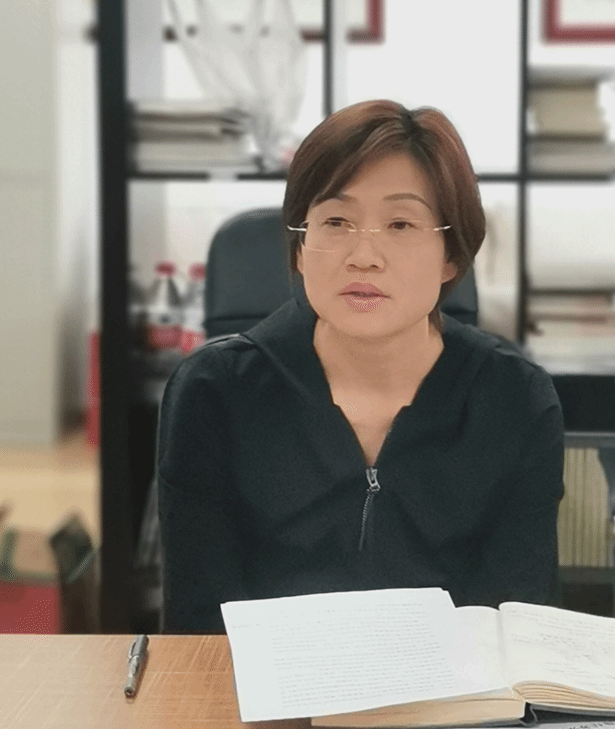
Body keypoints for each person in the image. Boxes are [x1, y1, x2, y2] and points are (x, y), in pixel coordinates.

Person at [157, 100, 564, 633]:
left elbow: (517, 623)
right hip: (261, 684)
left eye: (400, 223)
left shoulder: (514, 398)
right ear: (300, 247)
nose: (364, 256)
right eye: (336, 221)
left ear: (452, 255)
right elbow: (199, 629)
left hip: (455, 684)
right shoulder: (214, 393)